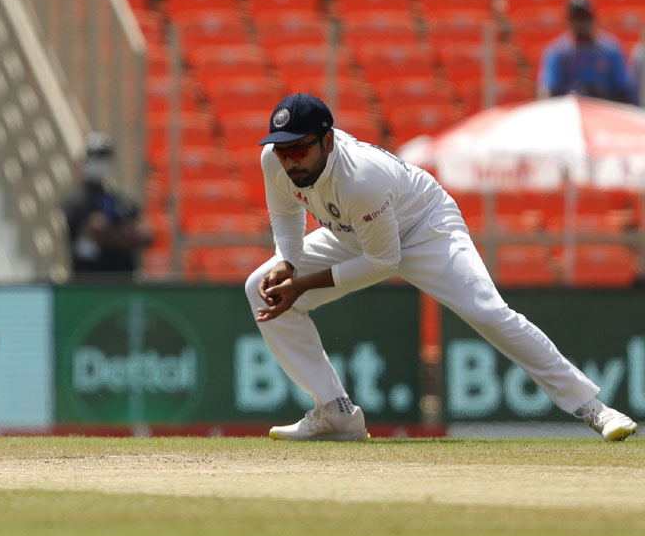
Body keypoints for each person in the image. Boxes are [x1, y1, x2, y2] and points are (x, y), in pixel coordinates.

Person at [246, 92, 638, 442]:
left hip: (425, 227)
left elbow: (384, 262)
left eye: (299, 151)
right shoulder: (275, 162)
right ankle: (335, 413)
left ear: (327, 141)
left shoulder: (361, 178)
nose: (290, 161)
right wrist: (288, 262)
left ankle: (593, 408)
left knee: (487, 311)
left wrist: (300, 284)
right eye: (283, 151)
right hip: (351, 232)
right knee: (256, 286)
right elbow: (285, 215)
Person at [63, 132, 153, 279]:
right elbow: (99, 232)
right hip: (88, 285)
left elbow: (146, 235)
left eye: (104, 157)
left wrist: (112, 232)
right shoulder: (77, 200)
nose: (100, 162)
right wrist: (127, 234)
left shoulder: (118, 200)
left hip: (123, 283)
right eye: (96, 157)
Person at [537, 0, 634, 103]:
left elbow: (623, 91)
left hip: (604, 111)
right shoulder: (558, 52)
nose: (581, 23)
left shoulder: (610, 50)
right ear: (568, 21)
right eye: (576, 18)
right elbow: (548, 91)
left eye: (584, 17)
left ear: (593, 18)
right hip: (568, 112)